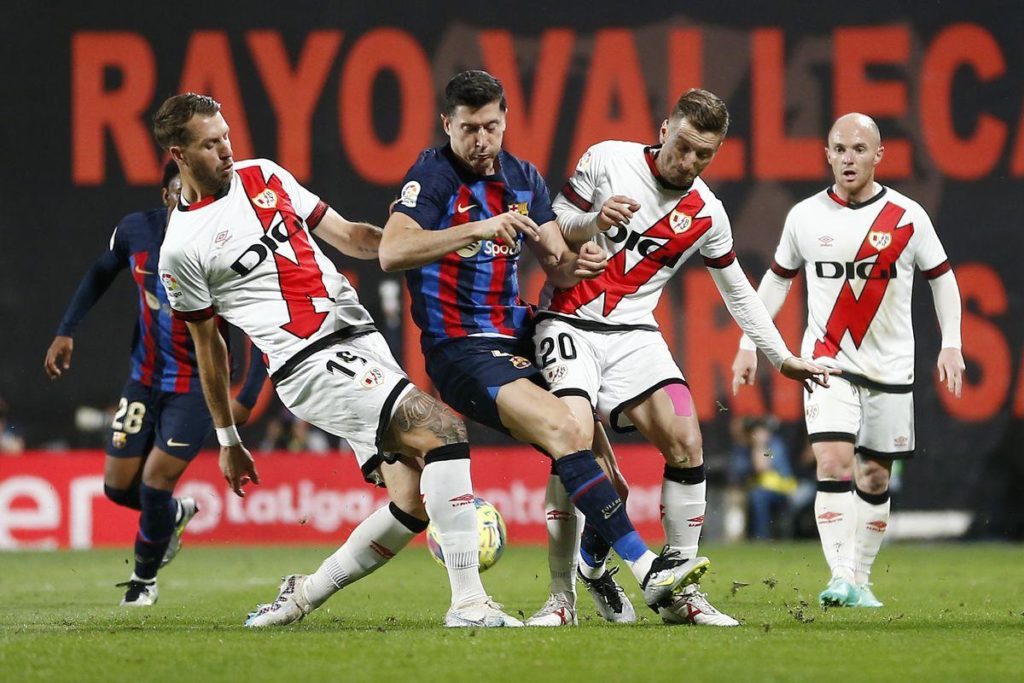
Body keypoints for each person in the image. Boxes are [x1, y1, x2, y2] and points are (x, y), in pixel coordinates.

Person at [154, 93, 531, 629]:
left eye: (226, 136)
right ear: (179, 155)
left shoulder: (263, 175)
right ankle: (469, 604)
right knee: (443, 429)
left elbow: (351, 236)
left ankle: (301, 595)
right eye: (210, 144)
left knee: (411, 502)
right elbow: (208, 346)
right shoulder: (181, 248)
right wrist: (228, 439)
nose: (226, 150)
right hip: (308, 362)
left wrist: (420, 241)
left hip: (360, 339)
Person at [380, 70, 712, 627]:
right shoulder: (432, 177)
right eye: (469, 129)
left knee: (608, 480)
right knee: (564, 430)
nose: (481, 140)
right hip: (461, 347)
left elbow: (557, 262)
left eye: (491, 126)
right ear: (447, 125)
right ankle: (644, 569)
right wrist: (476, 230)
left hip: (519, 335)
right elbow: (391, 252)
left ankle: (594, 573)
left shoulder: (523, 178)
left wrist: (581, 260)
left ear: (505, 120)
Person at [539, 88, 833, 627]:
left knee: (687, 437)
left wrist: (783, 358)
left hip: (633, 332)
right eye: (683, 146)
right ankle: (561, 600)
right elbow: (554, 223)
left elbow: (738, 291)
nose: (690, 161)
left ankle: (678, 588)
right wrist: (593, 223)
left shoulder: (708, 213)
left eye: (704, 154)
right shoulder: (608, 159)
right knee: (572, 439)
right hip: (567, 320)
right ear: (663, 130)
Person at [732, 113, 964, 608]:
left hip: (890, 369)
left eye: (859, 149)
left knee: (875, 477)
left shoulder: (907, 216)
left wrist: (952, 342)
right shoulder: (805, 217)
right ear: (827, 155)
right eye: (839, 149)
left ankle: (860, 578)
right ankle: (839, 576)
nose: (848, 158)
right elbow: (776, 281)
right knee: (834, 463)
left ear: (879, 155)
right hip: (826, 363)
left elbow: (942, 278)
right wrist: (749, 344)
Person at [43, 160, 266, 606]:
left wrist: (246, 395)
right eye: (183, 191)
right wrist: (67, 329)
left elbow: (259, 324)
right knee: (117, 488)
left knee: (154, 483)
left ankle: (142, 582)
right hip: (142, 380)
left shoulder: (224, 244)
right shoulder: (136, 231)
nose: (192, 199)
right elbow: (101, 271)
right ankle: (173, 514)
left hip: (196, 387)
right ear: (167, 195)